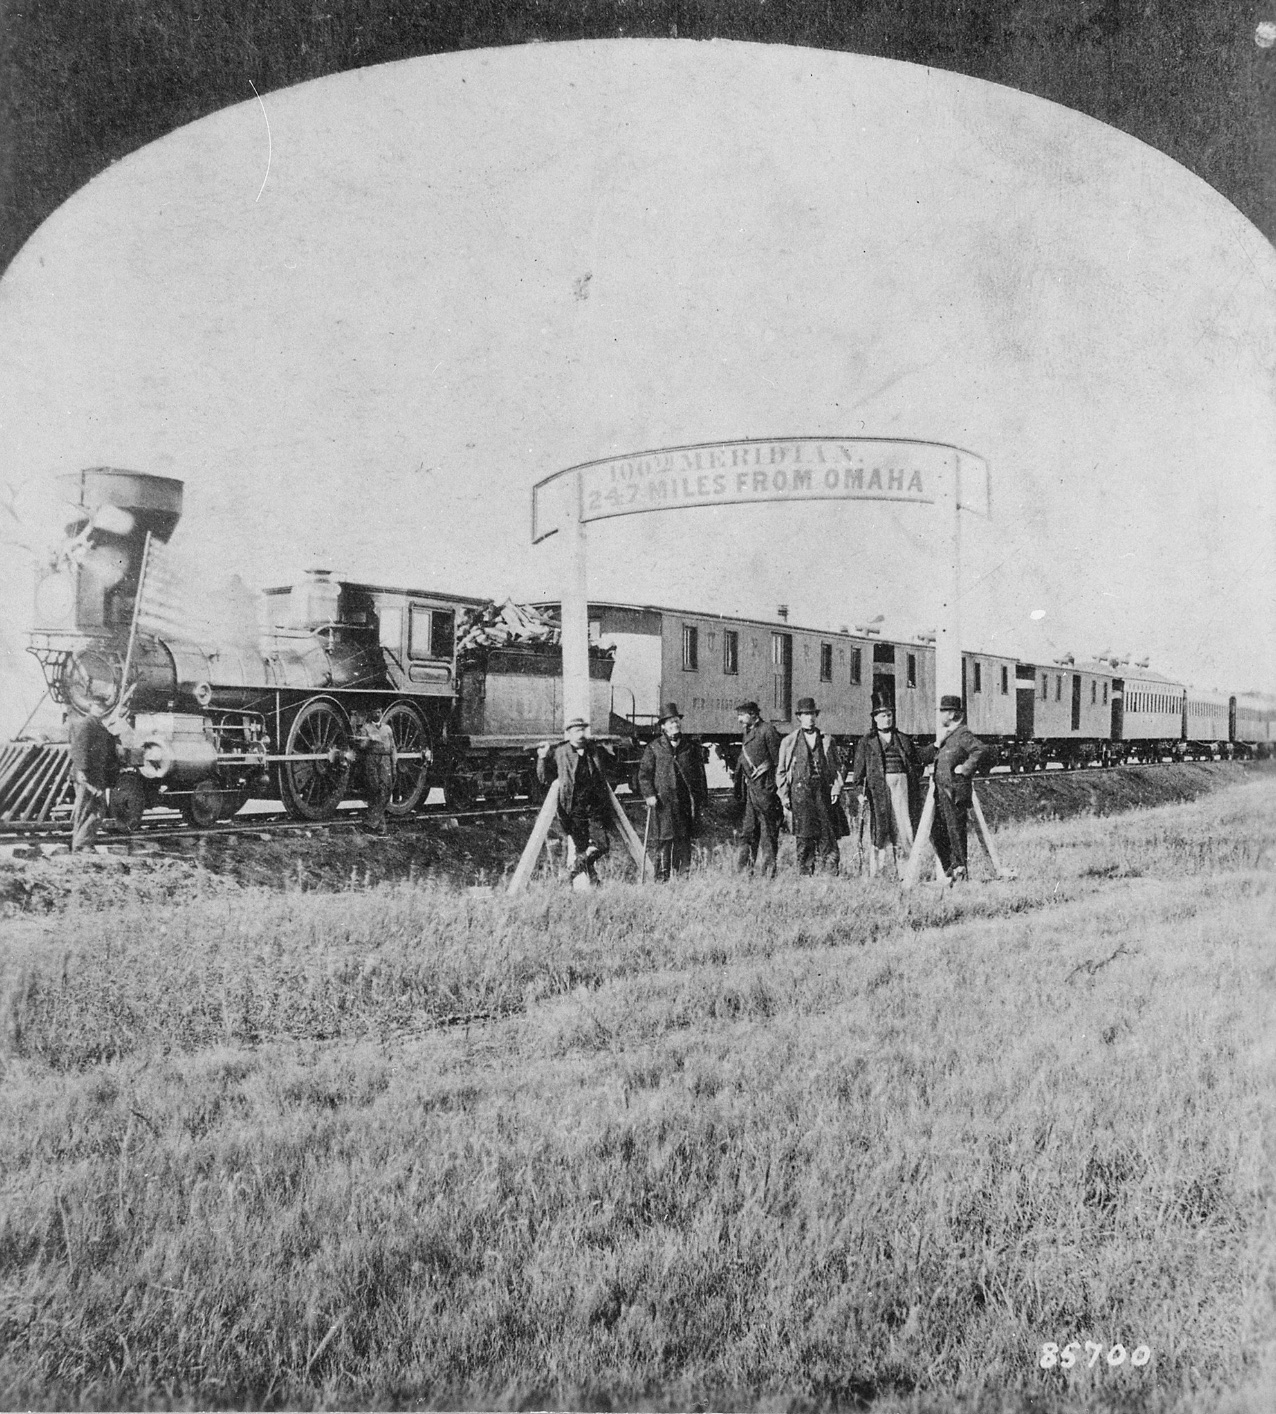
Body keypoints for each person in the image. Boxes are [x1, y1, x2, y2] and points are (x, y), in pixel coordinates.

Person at [848, 693, 926, 877]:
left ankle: (905, 873)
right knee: (879, 832)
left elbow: (916, 765)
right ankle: (878, 874)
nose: (887, 719)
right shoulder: (866, 743)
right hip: (879, 793)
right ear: (875, 719)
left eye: (889, 715)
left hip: (902, 790)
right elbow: (858, 775)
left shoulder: (904, 739)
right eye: (882, 715)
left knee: (903, 830)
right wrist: (861, 793)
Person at [537, 716, 613, 887]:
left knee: (602, 844)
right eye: (576, 731)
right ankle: (592, 883)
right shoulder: (560, 752)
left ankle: (570, 873)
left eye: (582, 730)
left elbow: (609, 770)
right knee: (581, 848)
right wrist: (542, 759)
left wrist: (609, 751)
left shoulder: (593, 750)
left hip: (594, 806)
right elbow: (545, 778)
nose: (580, 734)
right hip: (573, 808)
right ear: (569, 734)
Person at [638, 703, 709, 881]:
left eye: (676, 722)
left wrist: (701, 800)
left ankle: (684, 877)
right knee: (664, 840)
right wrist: (649, 795)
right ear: (663, 726)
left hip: (684, 803)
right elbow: (644, 775)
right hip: (663, 804)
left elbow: (700, 776)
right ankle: (662, 879)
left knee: (684, 840)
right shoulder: (654, 748)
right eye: (670, 723)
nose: (674, 725)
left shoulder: (690, 747)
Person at [777, 697, 847, 875]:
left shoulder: (826, 740)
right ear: (799, 717)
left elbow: (838, 767)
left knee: (827, 835)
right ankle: (805, 875)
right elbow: (781, 772)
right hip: (800, 794)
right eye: (806, 714)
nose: (810, 718)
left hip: (822, 793)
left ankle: (830, 876)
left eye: (812, 714)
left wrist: (836, 788)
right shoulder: (789, 742)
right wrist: (784, 795)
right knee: (804, 837)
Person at [929, 693, 995, 882]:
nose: (940, 716)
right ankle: (952, 869)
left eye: (942, 712)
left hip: (955, 792)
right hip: (943, 791)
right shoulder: (950, 735)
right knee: (938, 831)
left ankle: (960, 872)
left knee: (955, 832)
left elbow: (980, 750)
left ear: (951, 714)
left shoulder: (963, 734)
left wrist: (965, 769)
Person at [733, 699, 783, 878]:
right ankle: (744, 872)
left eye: (741, 715)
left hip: (765, 792)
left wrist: (771, 785)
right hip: (752, 793)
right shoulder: (748, 731)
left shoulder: (768, 731)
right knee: (748, 832)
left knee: (768, 834)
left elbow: (779, 761)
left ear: (753, 714)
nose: (739, 719)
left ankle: (769, 874)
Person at [67, 696, 119, 852]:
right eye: (97, 707)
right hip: (87, 776)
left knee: (95, 810)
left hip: (97, 776)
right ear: (90, 707)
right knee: (89, 810)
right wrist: (81, 770)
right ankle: (82, 844)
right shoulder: (87, 724)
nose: (100, 709)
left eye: (102, 707)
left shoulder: (99, 725)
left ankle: (82, 844)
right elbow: (79, 748)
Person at [349, 709, 398, 835]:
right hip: (372, 759)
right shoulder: (366, 728)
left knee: (385, 790)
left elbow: (393, 747)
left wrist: (394, 764)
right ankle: (378, 827)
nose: (377, 714)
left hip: (385, 759)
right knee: (374, 789)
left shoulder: (387, 728)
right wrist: (369, 739)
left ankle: (372, 824)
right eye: (375, 712)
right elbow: (361, 745)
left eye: (379, 712)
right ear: (371, 714)